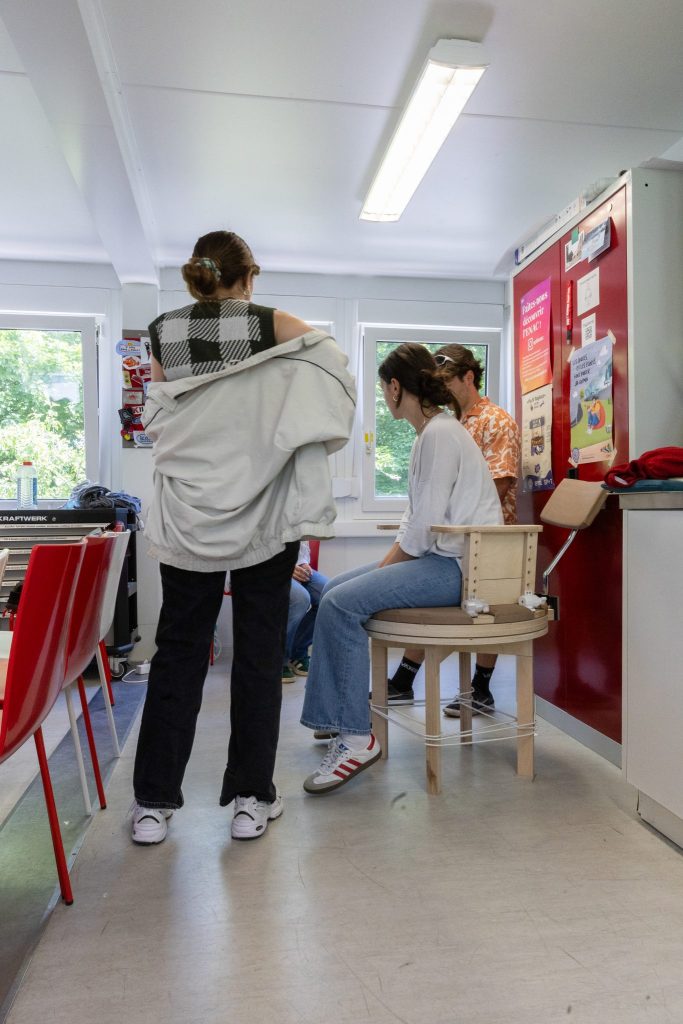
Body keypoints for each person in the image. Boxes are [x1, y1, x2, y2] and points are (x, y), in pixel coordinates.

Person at [131, 230, 355, 844]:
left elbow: (165, 410)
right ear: (249, 276)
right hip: (264, 512)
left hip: (187, 512)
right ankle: (252, 800)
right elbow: (329, 362)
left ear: (195, 275)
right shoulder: (268, 322)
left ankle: (153, 804)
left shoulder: (161, 331)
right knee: (259, 657)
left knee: (178, 653)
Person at [300, 343, 502, 795]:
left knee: (340, 603)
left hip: (459, 569)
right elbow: (416, 523)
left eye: (382, 390)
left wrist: (381, 571)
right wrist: (382, 568)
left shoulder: (440, 434)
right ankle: (341, 715)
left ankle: (357, 739)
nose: (384, 397)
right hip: (441, 559)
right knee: (334, 590)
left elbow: (423, 531)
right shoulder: (430, 433)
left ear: (395, 387)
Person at [387, 344, 521, 717]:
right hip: (450, 536)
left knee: (483, 610)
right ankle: (403, 679)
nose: (441, 388)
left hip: (490, 536)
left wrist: (459, 517)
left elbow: (499, 484)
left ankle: (481, 687)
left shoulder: (495, 420)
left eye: (448, 380)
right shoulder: (446, 423)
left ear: (469, 377)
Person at [282, 541, 327, 682]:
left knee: (330, 595)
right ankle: (277, 659)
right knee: (300, 599)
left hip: (294, 565)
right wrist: (283, 566)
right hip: (268, 568)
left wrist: (302, 562)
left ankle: (297, 651)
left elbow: (301, 540)